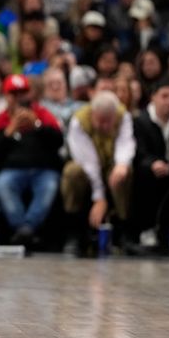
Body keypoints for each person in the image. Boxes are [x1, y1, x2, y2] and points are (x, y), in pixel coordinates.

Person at [0, 74, 63, 246]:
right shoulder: (1, 120)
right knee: (3, 185)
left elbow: (58, 140)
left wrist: (37, 125)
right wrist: (9, 130)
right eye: (14, 94)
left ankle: (25, 229)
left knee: (48, 186)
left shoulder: (42, 114)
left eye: (23, 93)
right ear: (6, 96)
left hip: (44, 169)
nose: (19, 98)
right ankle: (25, 229)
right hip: (12, 169)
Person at [61, 91, 135, 254]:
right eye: (100, 121)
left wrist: (121, 165)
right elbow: (89, 162)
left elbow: (126, 144)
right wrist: (99, 197)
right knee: (72, 172)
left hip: (111, 165)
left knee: (125, 173)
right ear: (92, 113)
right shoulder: (79, 121)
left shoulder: (124, 116)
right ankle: (73, 233)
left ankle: (124, 232)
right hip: (89, 170)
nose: (104, 126)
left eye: (108, 121)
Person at [131, 75, 169, 250]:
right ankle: (147, 229)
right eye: (165, 96)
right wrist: (153, 163)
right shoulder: (141, 120)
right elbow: (139, 151)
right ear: (153, 96)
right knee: (146, 173)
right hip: (151, 169)